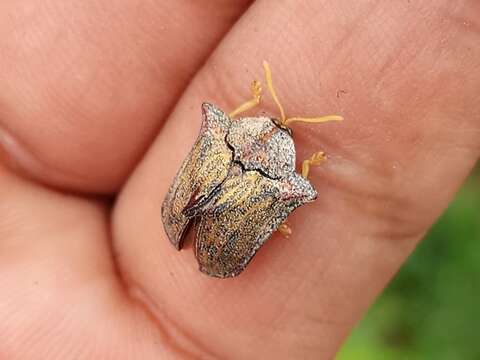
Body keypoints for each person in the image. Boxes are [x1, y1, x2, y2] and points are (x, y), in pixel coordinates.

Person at [0, 1, 478, 358]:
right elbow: (292, 183)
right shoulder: (281, 182)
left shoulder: (231, 141)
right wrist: (302, 171)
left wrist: (255, 106)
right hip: (222, 221)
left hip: (197, 212)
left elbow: (229, 126)